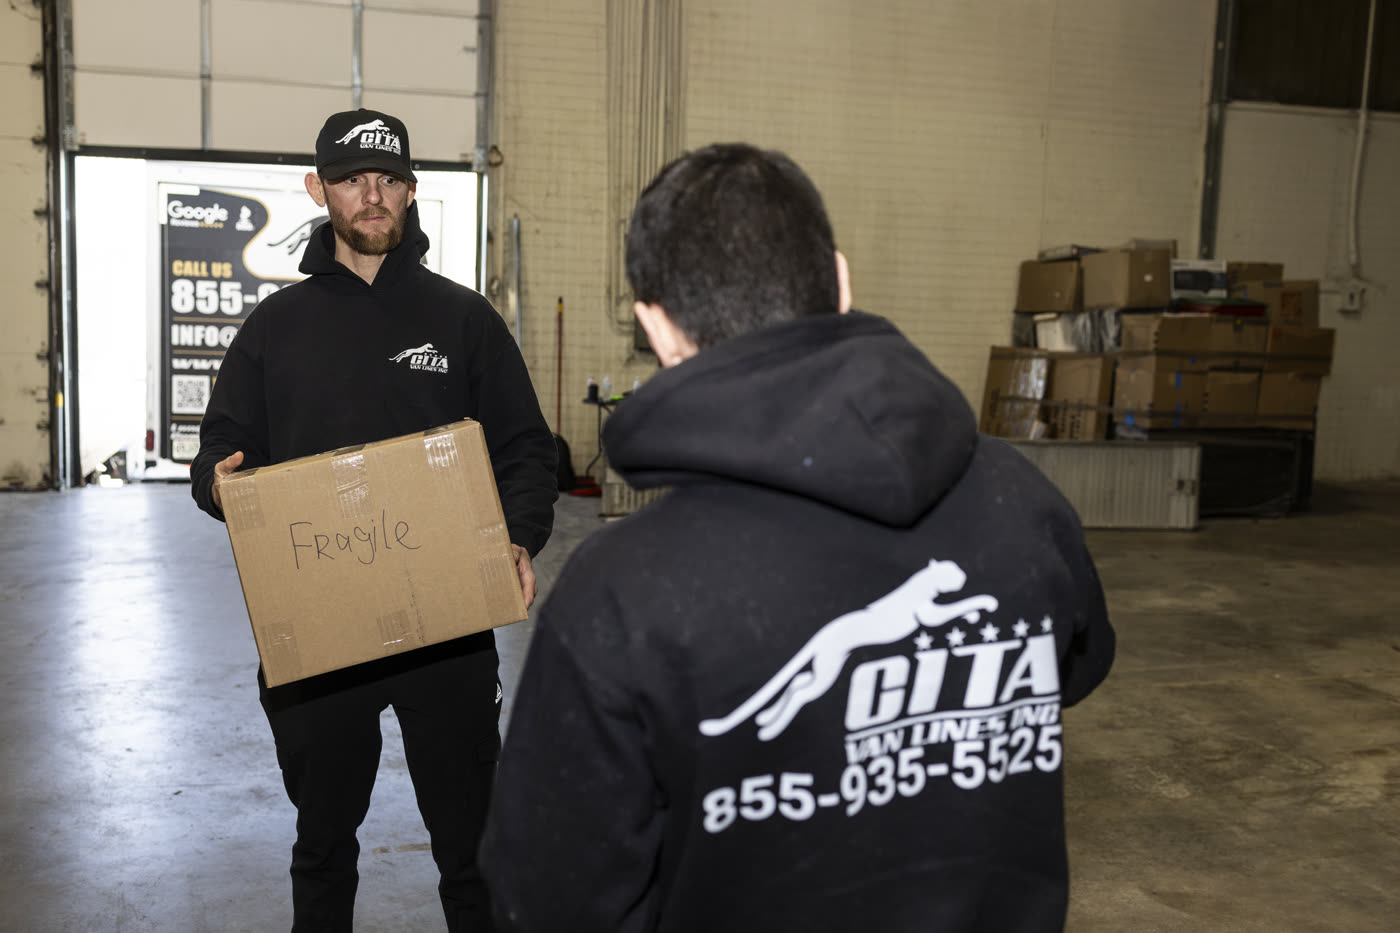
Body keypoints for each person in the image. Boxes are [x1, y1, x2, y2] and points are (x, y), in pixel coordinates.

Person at [479, 143, 1115, 932]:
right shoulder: (1024, 500)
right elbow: (1077, 666)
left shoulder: (623, 590)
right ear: (841, 284)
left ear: (658, 329)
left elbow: (549, 895)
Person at [190, 108, 557, 932]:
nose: (373, 195)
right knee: (323, 845)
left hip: (448, 627)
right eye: (354, 178)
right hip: (321, 640)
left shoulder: (464, 322)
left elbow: (529, 450)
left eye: (389, 179)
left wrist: (519, 535)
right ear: (319, 188)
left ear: (412, 192)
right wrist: (217, 483)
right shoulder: (274, 330)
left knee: (472, 851)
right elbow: (222, 449)